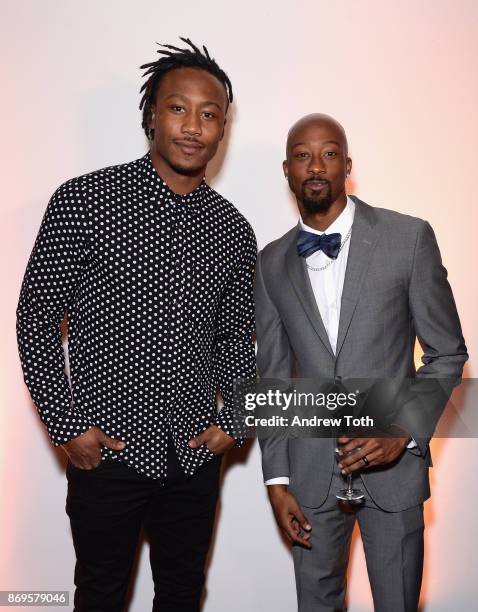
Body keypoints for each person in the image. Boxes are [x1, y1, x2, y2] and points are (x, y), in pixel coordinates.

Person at [16, 38, 257, 612]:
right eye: (178, 108)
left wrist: (235, 422)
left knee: (181, 595)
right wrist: (66, 424)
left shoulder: (234, 231)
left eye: (209, 114)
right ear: (152, 114)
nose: (193, 126)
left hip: (192, 457)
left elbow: (235, 340)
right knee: (99, 595)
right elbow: (37, 318)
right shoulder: (84, 200)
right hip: (109, 455)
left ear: (223, 129)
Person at [254, 113, 468, 611]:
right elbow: (271, 378)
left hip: (394, 474)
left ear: (347, 165)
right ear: (286, 169)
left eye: (329, 154)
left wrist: (401, 430)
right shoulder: (270, 263)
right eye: (303, 155)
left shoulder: (408, 238)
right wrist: (277, 481)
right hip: (309, 479)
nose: (316, 166)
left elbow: (447, 353)